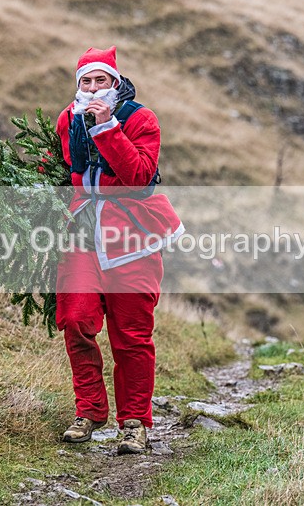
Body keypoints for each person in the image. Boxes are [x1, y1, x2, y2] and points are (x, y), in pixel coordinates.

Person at [54, 46, 184, 455]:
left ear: (115, 81)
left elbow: (139, 177)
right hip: (82, 231)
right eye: (85, 81)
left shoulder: (140, 118)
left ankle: (134, 423)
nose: (92, 88)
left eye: (101, 80)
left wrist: (107, 127)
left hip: (134, 236)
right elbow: (64, 171)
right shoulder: (67, 119)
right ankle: (90, 411)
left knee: (131, 336)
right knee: (75, 318)